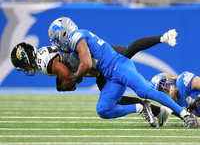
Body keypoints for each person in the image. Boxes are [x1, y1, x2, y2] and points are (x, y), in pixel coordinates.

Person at [47, 16, 197, 128]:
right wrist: (79, 75)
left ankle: (186, 115)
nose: (57, 43)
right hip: (111, 75)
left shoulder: (75, 37)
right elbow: (92, 69)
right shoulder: (75, 43)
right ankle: (141, 107)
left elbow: (85, 64)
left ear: (63, 33)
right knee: (103, 109)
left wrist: (75, 76)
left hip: (119, 65)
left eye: (56, 38)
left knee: (145, 91)